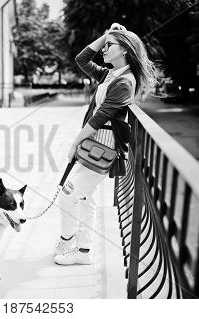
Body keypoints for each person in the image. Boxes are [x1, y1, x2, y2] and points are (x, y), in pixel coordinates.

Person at [53, 23, 157, 265]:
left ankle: (70, 241)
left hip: (102, 148)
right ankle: (81, 251)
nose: (103, 49)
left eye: (109, 46)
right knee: (84, 197)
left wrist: (74, 144)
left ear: (124, 50)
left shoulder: (124, 82)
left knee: (69, 195)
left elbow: (101, 117)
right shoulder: (112, 74)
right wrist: (106, 36)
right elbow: (82, 59)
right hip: (94, 144)